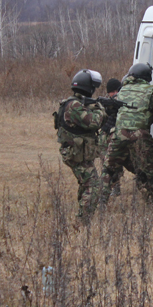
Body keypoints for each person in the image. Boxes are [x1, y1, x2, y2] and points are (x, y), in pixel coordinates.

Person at [101, 62, 153, 213]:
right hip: (140, 135)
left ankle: (99, 204)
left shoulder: (122, 91)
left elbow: (115, 110)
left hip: (119, 134)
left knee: (108, 170)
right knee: (152, 172)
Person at [54, 69, 106, 219]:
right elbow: (94, 122)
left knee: (86, 183)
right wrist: (101, 109)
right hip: (76, 153)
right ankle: (83, 220)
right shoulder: (74, 106)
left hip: (78, 152)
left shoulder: (72, 103)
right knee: (94, 185)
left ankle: (83, 214)